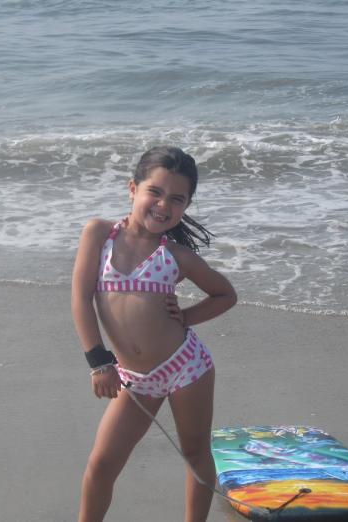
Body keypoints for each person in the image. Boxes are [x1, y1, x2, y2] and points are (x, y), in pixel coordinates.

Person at [71, 146, 237, 522]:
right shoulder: (99, 234)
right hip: (133, 378)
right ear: (133, 188)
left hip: (186, 368)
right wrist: (99, 362)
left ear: (186, 206)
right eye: (155, 192)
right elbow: (80, 298)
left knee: (194, 453)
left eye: (177, 199)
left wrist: (187, 317)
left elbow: (226, 294)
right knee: (102, 463)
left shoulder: (176, 255)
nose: (164, 205)